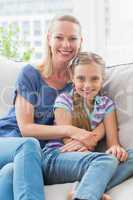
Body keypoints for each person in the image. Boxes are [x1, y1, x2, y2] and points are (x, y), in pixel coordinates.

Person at [0, 14, 132, 200]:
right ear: (49, 39)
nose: (66, 44)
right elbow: (26, 129)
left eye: (72, 39)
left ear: (80, 42)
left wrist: (96, 138)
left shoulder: (78, 84)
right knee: (29, 144)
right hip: (8, 142)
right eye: (59, 37)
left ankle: (87, 188)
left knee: (10, 173)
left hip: (37, 158)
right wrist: (72, 131)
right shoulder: (30, 74)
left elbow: (100, 113)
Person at [53, 51, 128, 199]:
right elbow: (71, 145)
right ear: (72, 78)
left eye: (94, 79)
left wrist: (116, 149)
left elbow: (113, 144)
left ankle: (85, 189)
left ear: (102, 79)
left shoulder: (106, 104)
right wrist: (100, 130)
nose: (87, 85)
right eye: (81, 78)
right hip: (62, 157)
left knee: (128, 156)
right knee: (105, 161)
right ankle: (89, 191)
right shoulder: (64, 101)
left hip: (93, 159)